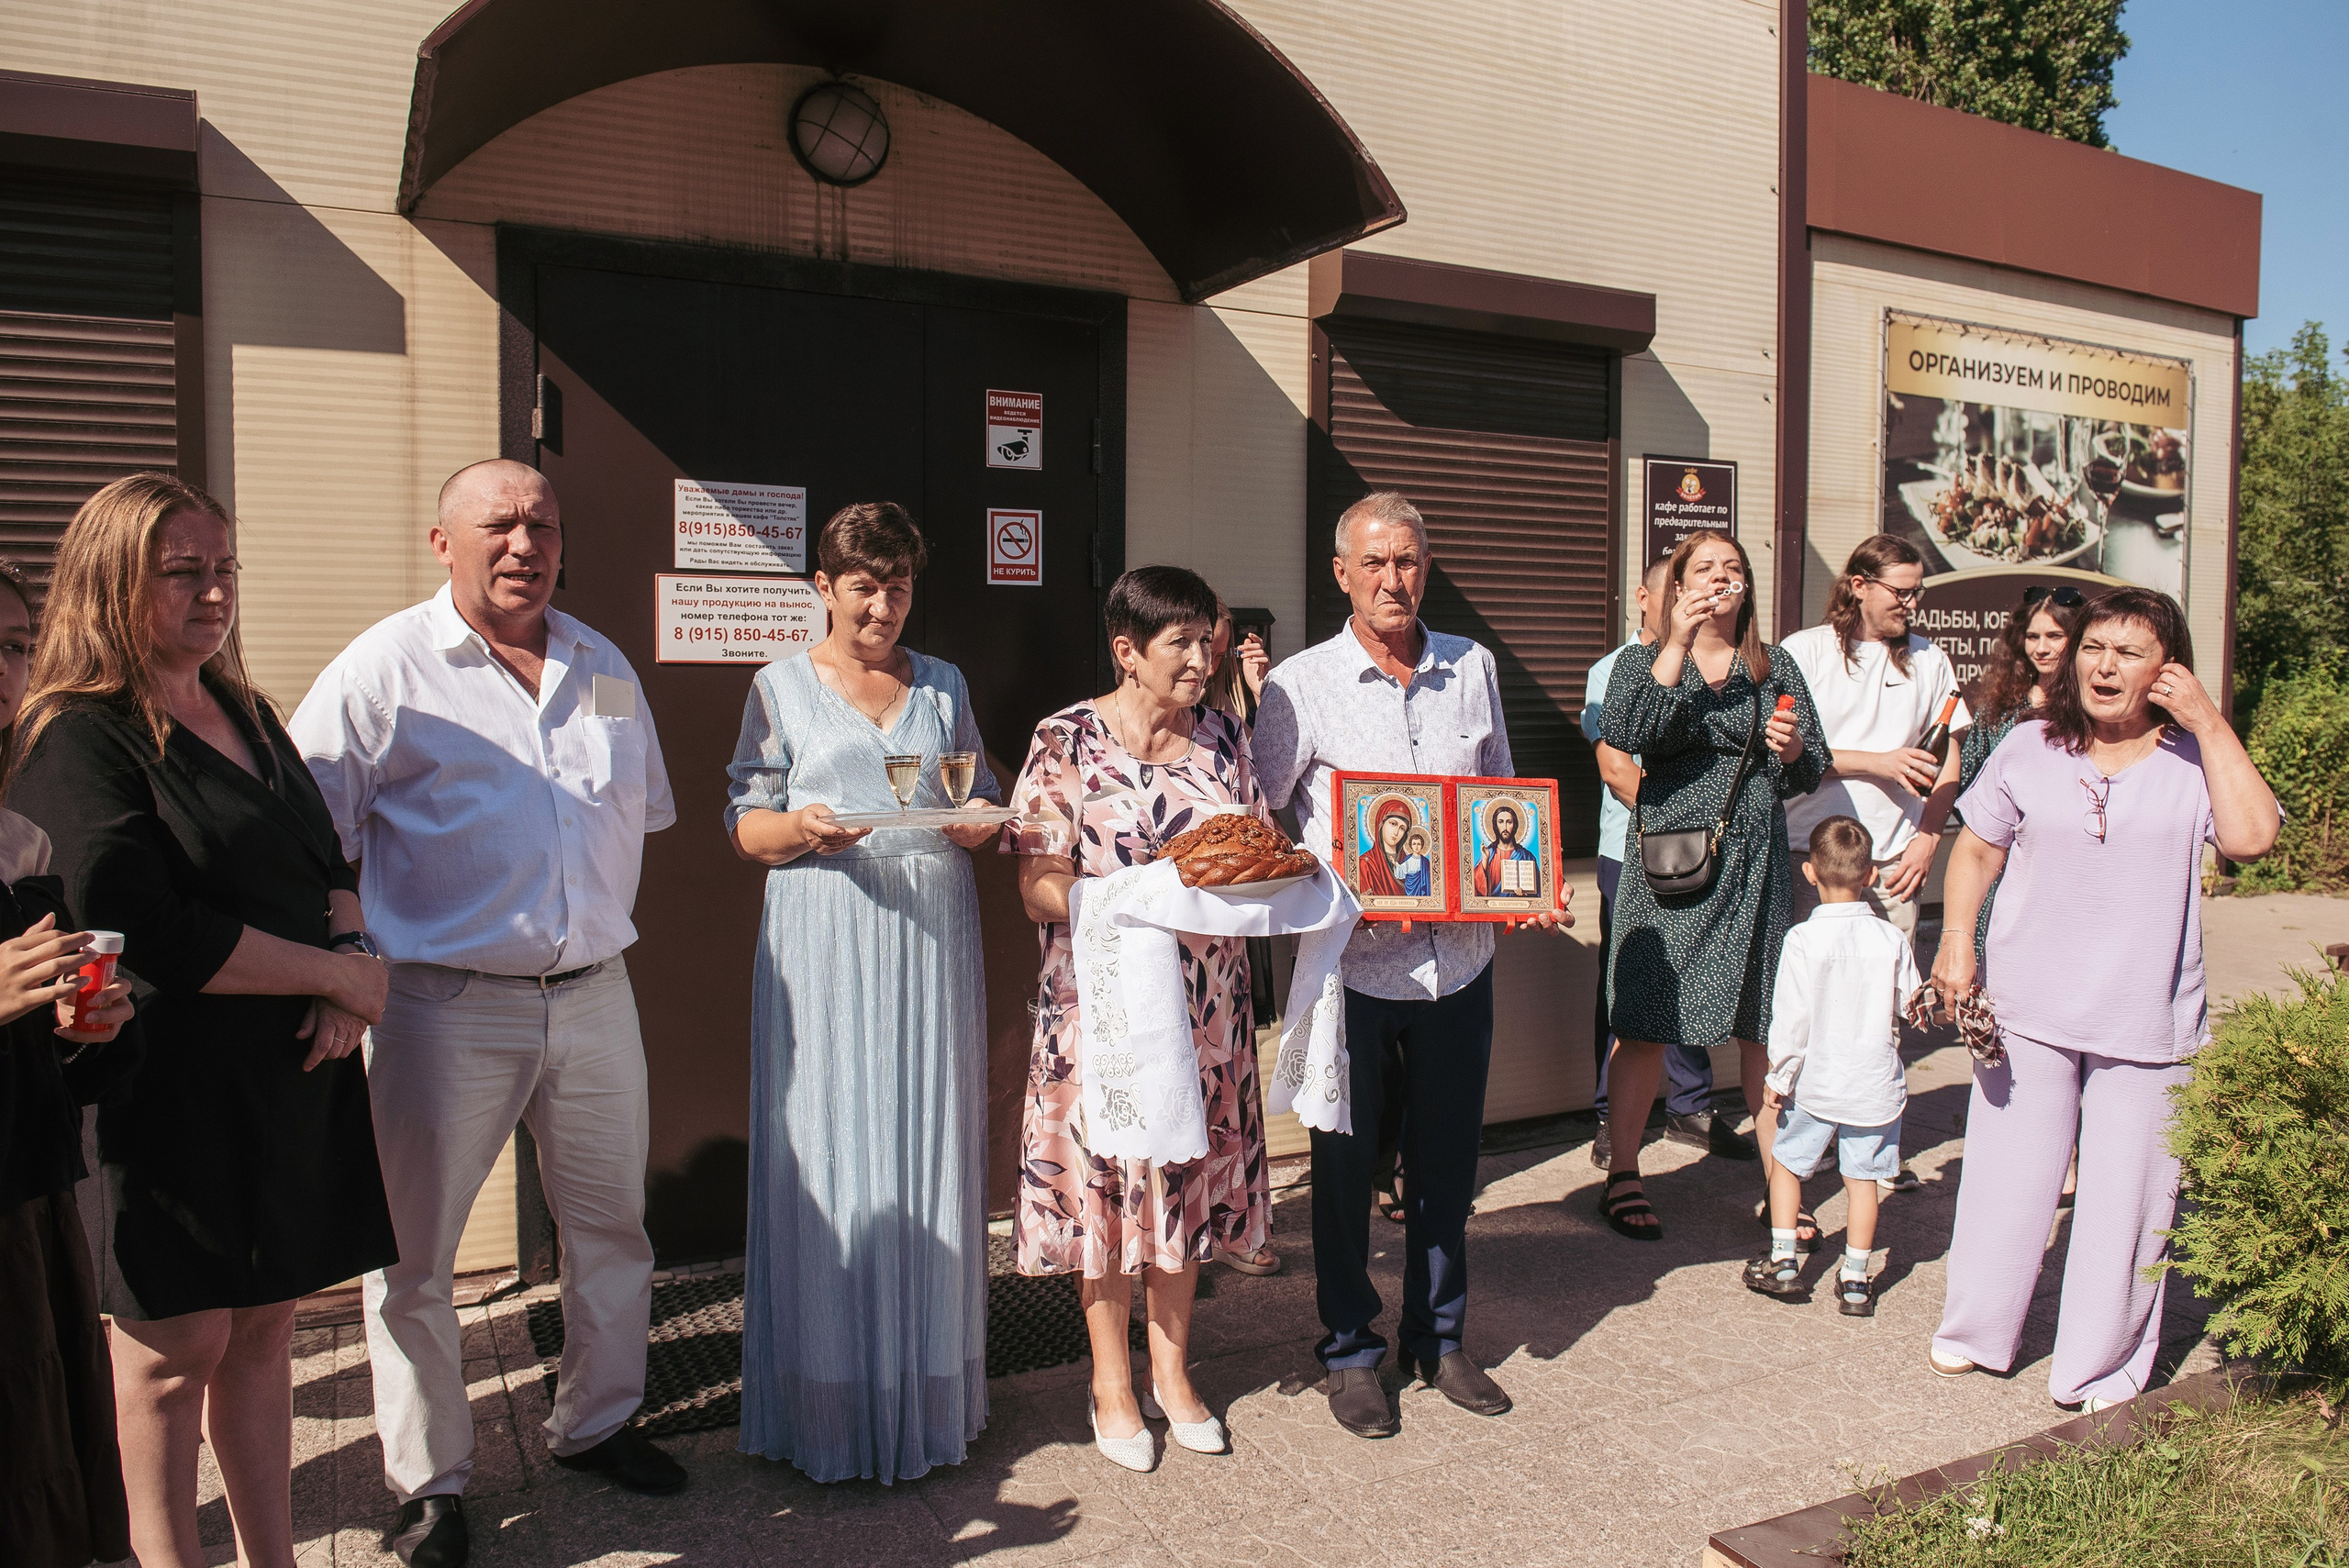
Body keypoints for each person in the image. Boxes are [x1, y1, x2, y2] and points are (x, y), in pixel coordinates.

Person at [292, 459, 683, 1568]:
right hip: (441, 1005)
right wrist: (342, 954)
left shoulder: (600, 663)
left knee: (610, 1226)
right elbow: (313, 826)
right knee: (415, 1258)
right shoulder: (387, 667)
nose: (524, 542)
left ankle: (597, 1421)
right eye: (498, 524)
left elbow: (635, 809)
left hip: (597, 996)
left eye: (542, 523)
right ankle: (431, 1482)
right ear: (441, 542)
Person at [12, 474, 399, 1568]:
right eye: (183, 572)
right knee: (177, 1352)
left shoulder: (246, 706)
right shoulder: (78, 739)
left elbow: (328, 856)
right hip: (165, 1089)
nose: (214, 592)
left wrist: (350, 959)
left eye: (224, 569)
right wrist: (337, 980)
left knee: (268, 1330)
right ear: (110, 582)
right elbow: (143, 926)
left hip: (283, 1075)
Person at [1252, 490, 1569, 1440]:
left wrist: (1524, 880)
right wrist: (1333, 876)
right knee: (1344, 1169)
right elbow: (1266, 817)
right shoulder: (1298, 685)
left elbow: (1499, 787)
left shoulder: (1471, 665)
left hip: (1458, 959)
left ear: (1425, 569)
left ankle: (1439, 1336)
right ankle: (1350, 1347)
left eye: (1410, 561)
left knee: (1448, 1163)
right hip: (1351, 964)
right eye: (1375, 562)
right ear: (1341, 573)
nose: (1395, 578)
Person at [1927, 586, 2278, 1411]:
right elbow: (1976, 851)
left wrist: (2211, 721)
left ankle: (2098, 1364)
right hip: (2026, 1006)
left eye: (2128, 651)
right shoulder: (2027, 746)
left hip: (2145, 1020)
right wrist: (1954, 945)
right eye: (2094, 647)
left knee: (2128, 1201)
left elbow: (2254, 838)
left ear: (2168, 669)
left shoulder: (2197, 760)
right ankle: (1978, 1332)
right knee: (2007, 1181)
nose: (2104, 665)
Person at [723, 503, 1001, 1484]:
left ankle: (925, 1388)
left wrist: (976, 822)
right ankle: (829, 1405)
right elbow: (745, 826)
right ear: (824, 588)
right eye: (863, 585)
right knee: (833, 1143)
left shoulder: (944, 683)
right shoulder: (779, 686)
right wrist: (801, 826)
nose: (882, 604)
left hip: (931, 929)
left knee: (924, 1137)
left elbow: (977, 800)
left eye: (899, 585)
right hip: (826, 925)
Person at [1002, 564, 1271, 1473]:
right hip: (1101, 1008)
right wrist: (1139, 894)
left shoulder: (1227, 737)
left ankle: (1173, 1372)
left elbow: (1252, 854)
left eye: (1211, 637)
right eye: (1182, 642)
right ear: (1127, 651)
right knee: (1107, 1188)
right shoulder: (1066, 738)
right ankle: (1110, 1382)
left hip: (1206, 1009)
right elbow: (1038, 885)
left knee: (1184, 1185)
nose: (1205, 656)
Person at [1599, 528, 1827, 1242]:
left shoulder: (1775, 664)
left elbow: (1810, 763)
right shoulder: (1644, 660)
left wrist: (1791, 751)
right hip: (1674, 865)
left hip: (1757, 869)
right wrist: (1678, 638)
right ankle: (1624, 1171)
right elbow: (1628, 728)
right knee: (1646, 1021)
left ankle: (1780, 1188)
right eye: (1703, 568)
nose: (1720, 577)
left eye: (1732, 567)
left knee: (1764, 1025)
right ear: (1675, 585)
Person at [0, 559, 139, 1568]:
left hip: (27, 1191)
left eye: (13, 645)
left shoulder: (19, 833)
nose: (3, 669)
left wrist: (79, 1032)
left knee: (42, 1466)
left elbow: (43, 1046)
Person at [1778, 534, 1969, 1202]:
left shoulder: (1930, 660)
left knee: (1884, 1014)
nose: (1912, 604)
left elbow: (1952, 753)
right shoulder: (1803, 652)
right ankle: (1809, 1145)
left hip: (1892, 860)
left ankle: (1877, 1144)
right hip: (1810, 856)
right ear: (1858, 584)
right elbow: (1785, 753)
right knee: (1813, 1007)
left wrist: (1929, 837)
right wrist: (1877, 761)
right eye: (1901, 591)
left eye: (1918, 591)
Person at [1581, 556, 1752, 1167]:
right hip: (1633, 849)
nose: (1693, 601)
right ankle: (1611, 1115)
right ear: (1646, 598)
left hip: (1703, 851)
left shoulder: (1724, 664)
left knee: (1694, 978)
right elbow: (1616, 767)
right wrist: (1682, 821)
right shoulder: (1614, 670)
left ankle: (1691, 1106)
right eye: (1676, 591)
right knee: (1628, 990)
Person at [1745, 817, 1923, 1317]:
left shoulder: (1802, 939)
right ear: (1870, 876)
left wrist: (1778, 1078)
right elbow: (1911, 1006)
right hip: (1873, 1084)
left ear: (1809, 873)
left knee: (1787, 1164)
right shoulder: (1890, 939)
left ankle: (1783, 1262)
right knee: (1862, 1180)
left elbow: (1791, 1020)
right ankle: (1855, 1279)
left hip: (1818, 1085)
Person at [1956, 583, 2087, 962]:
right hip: (1999, 868)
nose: (2041, 648)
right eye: (2032, 636)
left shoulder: (2092, 708)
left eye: (2054, 636)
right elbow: (1969, 786)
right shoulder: (2000, 706)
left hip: (2063, 865)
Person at [1469, 804, 1537, 897]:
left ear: (1515, 825)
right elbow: (1475, 889)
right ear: (1495, 825)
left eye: (1509, 822)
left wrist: (1526, 893)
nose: (1505, 827)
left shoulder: (1527, 856)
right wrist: (1485, 861)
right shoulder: (1489, 853)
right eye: (1500, 822)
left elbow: (1539, 892)